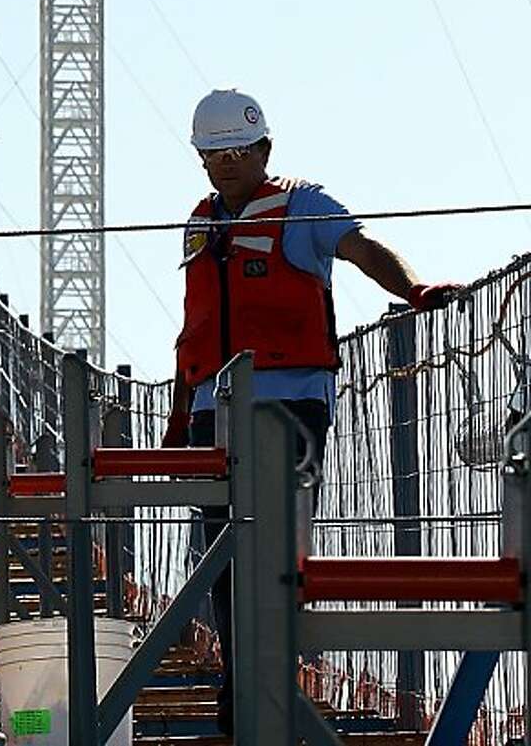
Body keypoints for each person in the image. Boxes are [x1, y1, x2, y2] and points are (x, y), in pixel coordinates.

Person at [161, 87, 459, 738]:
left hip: (289, 407)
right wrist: (180, 417)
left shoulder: (304, 205)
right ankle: (244, 690)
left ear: (265, 148)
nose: (226, 162)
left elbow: (363, 248)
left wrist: (414, 288)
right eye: (213, 153)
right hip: (217, 411)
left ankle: (261, 688)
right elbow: (195, 328)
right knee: (221, 559)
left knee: (274, 553)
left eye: (238, 150)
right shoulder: (201, 222)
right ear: (201, 159)